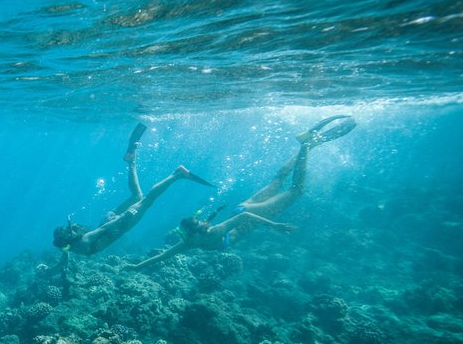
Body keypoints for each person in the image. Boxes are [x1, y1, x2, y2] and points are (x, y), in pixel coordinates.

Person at [127, 115, 356, 270]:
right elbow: (162, 256)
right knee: (278, 179)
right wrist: (136, 267)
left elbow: (244, 218)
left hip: (249, 213)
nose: (203, 225)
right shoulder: (190, 241)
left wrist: (273, 226)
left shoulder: (210, 234)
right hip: (244, 207)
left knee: (296, 191)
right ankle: (307, 145)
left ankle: (306, 147)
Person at [52, 123, 214, 258]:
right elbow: (69, 254)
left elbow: (103, 230)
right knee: (137, 196)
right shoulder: (72, 247)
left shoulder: (82, 242)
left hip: (118, 224)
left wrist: (126, 216)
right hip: (109, 219)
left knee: (148, 200)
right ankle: (131, 161)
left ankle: (177, 175)